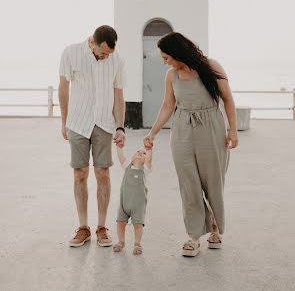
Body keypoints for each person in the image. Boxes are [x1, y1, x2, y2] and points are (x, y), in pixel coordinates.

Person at [143, 32, 238, 257]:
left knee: (213, 181)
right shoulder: (171, 75)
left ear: (178, 53)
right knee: (189, 184)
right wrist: (152, 133)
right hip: (182, 130)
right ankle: (193, 237)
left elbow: (227, 98)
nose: (164, 62)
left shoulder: (211, 67)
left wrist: (232, 129)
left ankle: (215, 229)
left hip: (211, 128)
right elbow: (168, 106)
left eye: (166, 57)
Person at [58, 25, 127, 248]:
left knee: (102, 172)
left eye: (110, 54)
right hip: (77, 122)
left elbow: (119, 95)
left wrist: (120, 127)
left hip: (104, 124)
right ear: (92, 43)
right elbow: (63, 87)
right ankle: (83, 227)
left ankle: (102, 227)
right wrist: (64, 120)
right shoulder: (71, 53)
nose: (106, 56)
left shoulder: (117, 60)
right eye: (103, 52)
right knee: (79, 173)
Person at [113, 145, 152, 255]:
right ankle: (121, 241)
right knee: (120, 222)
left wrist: (149, 149)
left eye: (144, 153)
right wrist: (119, 145)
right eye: (137, 151)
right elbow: (120, 156)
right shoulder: (127, 167)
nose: (140, 153)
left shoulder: (145, 170)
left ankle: (137, 243)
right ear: (132, 156)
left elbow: (149, 160)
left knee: (137, 224)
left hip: (138, 205)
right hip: (124, 203)